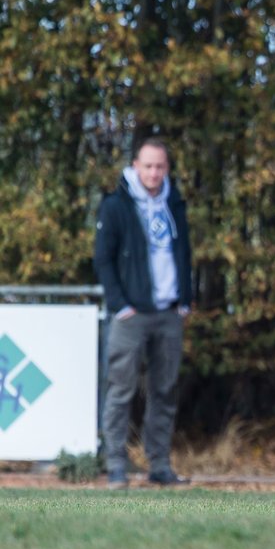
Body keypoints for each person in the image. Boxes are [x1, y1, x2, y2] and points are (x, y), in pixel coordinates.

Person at [94, 137, 193, 489]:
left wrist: (185, 299)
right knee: (121, 390)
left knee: (164, 390)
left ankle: (160, 465)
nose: (154, 173)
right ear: (136, 165)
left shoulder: (174, 202)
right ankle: (116, 465)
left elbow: (184, 252)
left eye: (160, 166)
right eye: (148, 166)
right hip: (131, 315)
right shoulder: (116, 205)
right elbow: (103, 259)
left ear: (167, 168)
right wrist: (120, 305)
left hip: (168, 312)